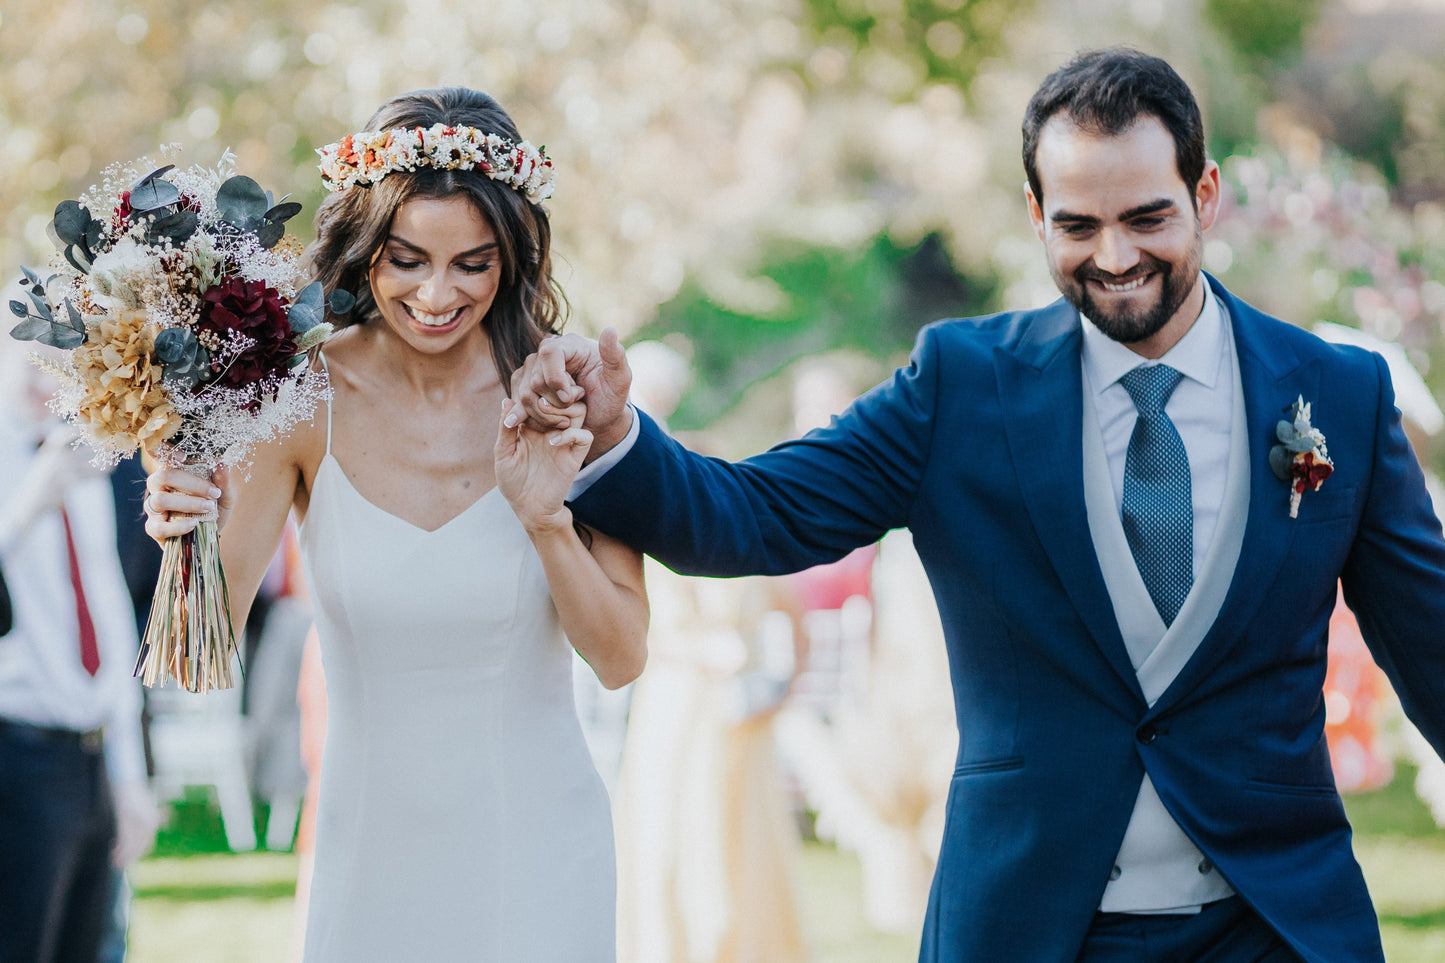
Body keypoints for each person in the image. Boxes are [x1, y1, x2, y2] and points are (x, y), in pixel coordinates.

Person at [510, 48, 1445, 962]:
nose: (1115, 255)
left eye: (1146, 217)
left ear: (1204, 195)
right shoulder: (959, 385)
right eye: (1077, 225)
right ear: (1036, 216)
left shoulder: (1338, 394)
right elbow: (754, 513)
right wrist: (617, 433)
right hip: (1027, 925)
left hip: (1272, 927)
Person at [143, 87, 648, 962]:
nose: (437, 293)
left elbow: (620, 658)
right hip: (368, 856)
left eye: (472, 264)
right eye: (407, 259)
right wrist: (183, 530)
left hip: (540, 854)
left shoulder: (568, 397)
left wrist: (544, 520)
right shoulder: (296, 402)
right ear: (364, 244)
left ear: (512, 257)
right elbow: (195, 657)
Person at [0, 339, 157, 963]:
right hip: (17, 754)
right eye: (30, 362)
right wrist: (29, 505)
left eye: (59, 366)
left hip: (91, 758)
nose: (47, 383)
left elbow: (110, 616)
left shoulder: (85, 459)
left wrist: (129, 776)